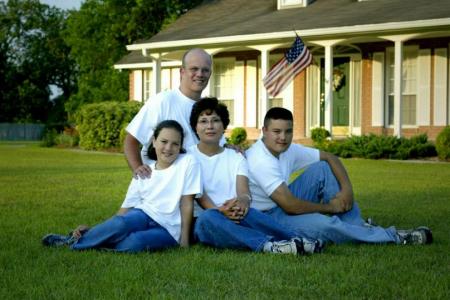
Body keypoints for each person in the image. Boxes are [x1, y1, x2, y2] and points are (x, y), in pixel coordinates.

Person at [245, 107, 433, 246]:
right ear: (264, 131)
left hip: (282, 202)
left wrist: (347, 190)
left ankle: (357, 225)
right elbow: (291, 206)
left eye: (288, 131)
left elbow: (330, 157)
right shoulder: (259, 159)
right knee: (327, 225)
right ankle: (396, 236)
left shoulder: (288, 149)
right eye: (276, 132)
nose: (283, 138)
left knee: (323, 168)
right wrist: (329, 207)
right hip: (266, 217)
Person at [188, 97, 323, 255]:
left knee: (251, 212)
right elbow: (199, 195)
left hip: (235, 214)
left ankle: (299, 241)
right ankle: (269, 246)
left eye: (215, 120)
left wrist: (243, 201)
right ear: (195, 127)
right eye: (203, 121)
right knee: (208, 218)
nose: (210, 126)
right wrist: (220, 211)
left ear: (223, 125)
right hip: (206, 219)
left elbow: (243, 190)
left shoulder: (236, 156)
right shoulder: (188, 157)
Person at [42, 120, 201, 252]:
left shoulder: (187, 162)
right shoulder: (144, 171)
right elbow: (124, 212)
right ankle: (74, 241)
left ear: (180, 147)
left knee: (137, 241)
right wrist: (103, 227)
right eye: (164, 142)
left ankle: (94, 242)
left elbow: (186, 202)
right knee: (121, 224)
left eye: (175, 144)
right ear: (154, 141)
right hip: (142, 215)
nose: (168, 148)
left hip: (169, 229)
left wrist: (184, 241)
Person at [124, 48, 213, 179]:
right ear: (182, 72)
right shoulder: (163, 101)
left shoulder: (208, 108)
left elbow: (214, 147)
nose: (200, 74)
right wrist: (138, 169)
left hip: (193, 188)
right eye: (194, 69)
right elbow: (131, 141)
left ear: (210, 73)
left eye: (205, 70)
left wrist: (229, 148)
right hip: (161, 188)